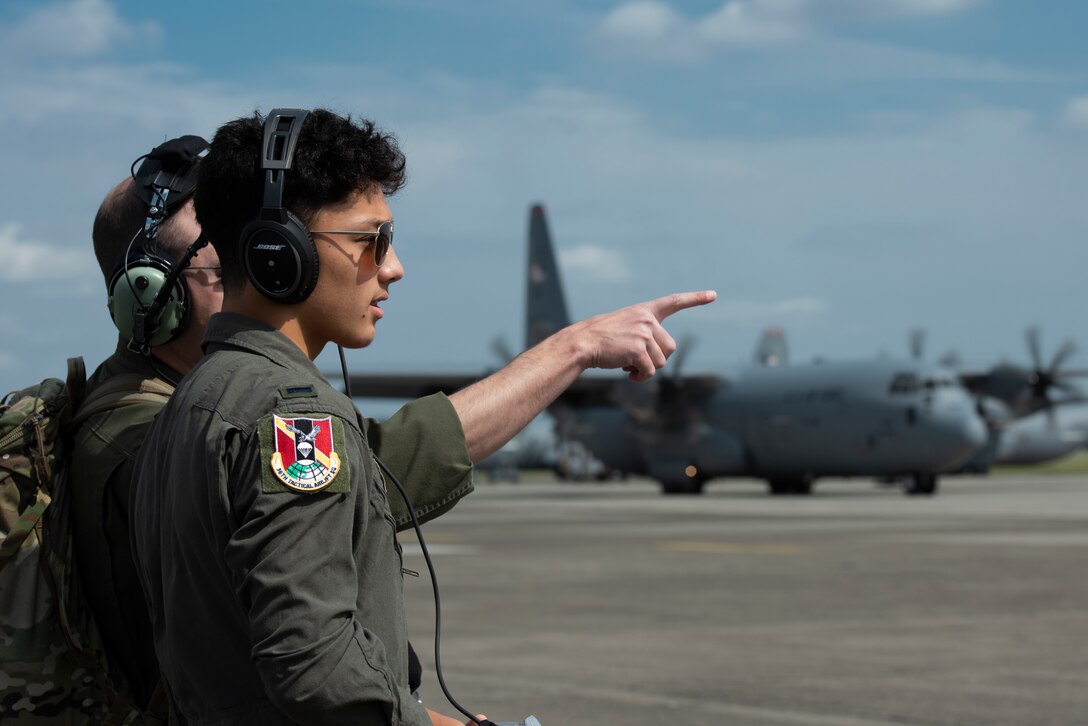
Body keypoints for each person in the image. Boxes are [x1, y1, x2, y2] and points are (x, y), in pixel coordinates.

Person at [129, 108, 715, 725]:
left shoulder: (188, 404)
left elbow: (387, 466)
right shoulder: (293, 419)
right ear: (280, 253)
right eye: (369, 240)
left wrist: (574, 347)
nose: (393, 266)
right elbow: (318, 670)